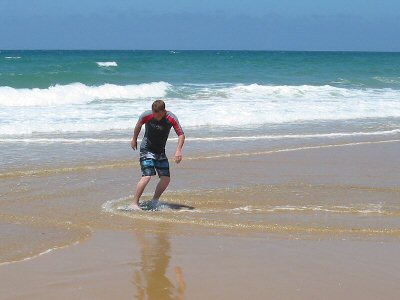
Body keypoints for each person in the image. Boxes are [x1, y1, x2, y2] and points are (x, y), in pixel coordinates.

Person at [129, 100, 185, 210]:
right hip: (146, 149)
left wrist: (178, 150)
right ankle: (134, 203)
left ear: (164, 111)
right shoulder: (147, 115)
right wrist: (134, 139)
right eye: (154, 114)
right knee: (147, 176)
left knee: (166, 178)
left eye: (158, 114)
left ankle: (154, 201)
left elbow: (181, 135)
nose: (156, 117)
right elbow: (138, 125)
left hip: (160, 151)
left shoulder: (171, 118)